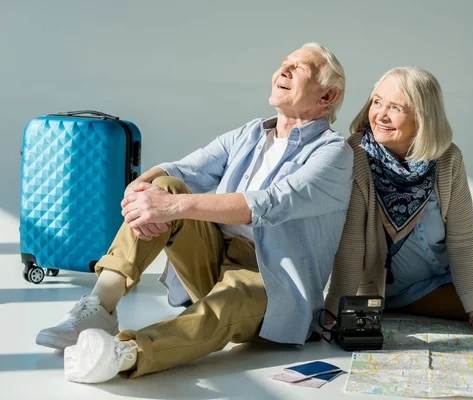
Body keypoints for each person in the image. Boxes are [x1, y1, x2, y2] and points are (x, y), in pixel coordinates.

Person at [36, 43, 353, 383]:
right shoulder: (251, 133)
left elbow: (268, 203)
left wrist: (172, 207)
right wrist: (138, 188)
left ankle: (127, 353)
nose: (283, 71)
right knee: (166, 185)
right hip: (212, 259)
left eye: (299, 67)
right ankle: (99, 307)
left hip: (270, 282)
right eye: (283, 64)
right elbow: (182, 170)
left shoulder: (333, 153)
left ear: (326, 97)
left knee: (223, 303)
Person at [325, 67, 473, 337]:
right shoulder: (356, 156)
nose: (381, 114)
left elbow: (461, 239)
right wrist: (333, 311)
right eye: (377, 102)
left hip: (449, 255)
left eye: (396, 108)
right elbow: (352, 244)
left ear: (422, 117)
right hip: (403, 286)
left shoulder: (448, 158)